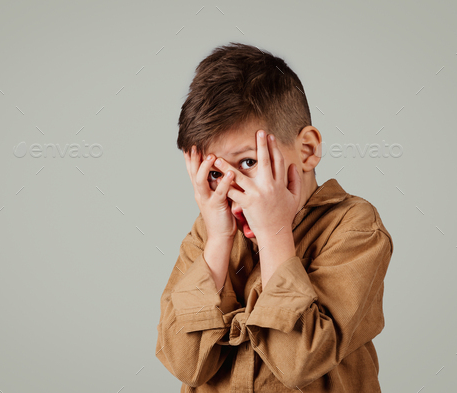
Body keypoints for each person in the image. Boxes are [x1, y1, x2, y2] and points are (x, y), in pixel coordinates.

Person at [155, 42, 394, 392]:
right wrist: (219, 242)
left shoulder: (354, 227)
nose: (232, 189)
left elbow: (299, 362)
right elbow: (185, 364)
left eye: (249, 162)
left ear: (308, 150)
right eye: (216, 173)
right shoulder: (209, 233)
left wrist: (275, 233)